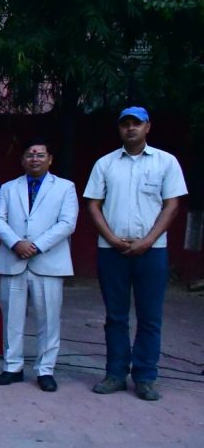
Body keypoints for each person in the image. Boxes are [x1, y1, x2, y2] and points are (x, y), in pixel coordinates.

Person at [85, 107, 187, 401]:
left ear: (147, 127)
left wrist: (148, 240)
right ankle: (115, 374)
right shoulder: (105, 164)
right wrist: (112, 239)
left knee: (150, 317)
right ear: (119, 129)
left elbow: (172, 205)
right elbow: (93, 204)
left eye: (136, 123)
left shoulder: (166, 162)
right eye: (125, 124)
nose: (131, 128)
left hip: (152, 251)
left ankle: (145, 377)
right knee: (115, 316)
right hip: (112, 251)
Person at [0, 138, 78, 392]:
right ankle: (12, 367)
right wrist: (16, 243)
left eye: (40, 155)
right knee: (11, 318)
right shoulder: (9, 188)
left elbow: (67, 223)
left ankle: (45, 370)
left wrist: (36, 245)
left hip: (48, 261)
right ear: (22, 160)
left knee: (48, 319)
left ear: (50, 159)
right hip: (14, 259)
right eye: (30, 155)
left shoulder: (65, 187)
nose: (35, 159)